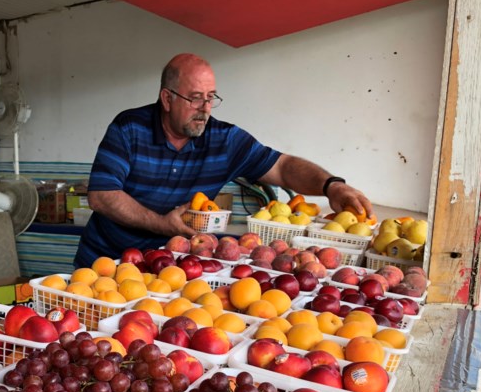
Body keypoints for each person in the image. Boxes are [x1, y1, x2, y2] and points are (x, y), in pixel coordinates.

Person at [73, 53, 374, 268]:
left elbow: (282, 166)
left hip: (173, 272)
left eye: (211, 97)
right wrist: (163, 224)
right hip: (105, 266)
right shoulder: (129, 129)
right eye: (195, 98)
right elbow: (102, 195)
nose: (205, 108)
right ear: (167, 99)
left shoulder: (224, 140)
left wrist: (331, 185)